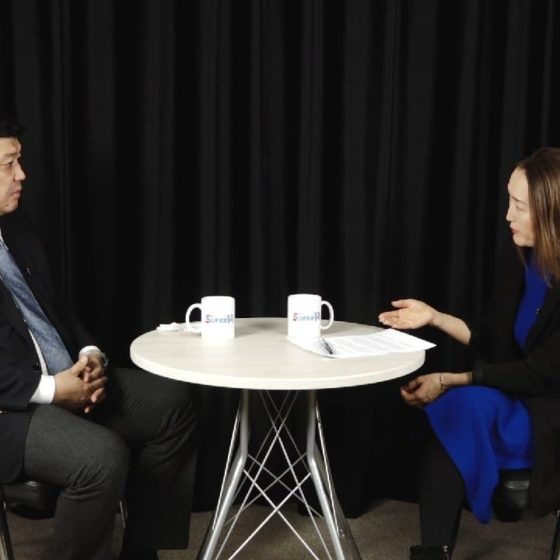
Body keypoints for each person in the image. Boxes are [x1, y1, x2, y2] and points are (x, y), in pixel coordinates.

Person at [0, 118, 198, 560]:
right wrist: (53, 390)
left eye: (20, 161)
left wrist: (89, 355)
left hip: (65, 376)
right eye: (9, 164)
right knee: (100, 457)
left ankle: (142, 552)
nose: (22, 175)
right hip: (10, 409)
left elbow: (58, 310)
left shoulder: (17, 227)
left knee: (172, 405)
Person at [379, 146, 560, 560]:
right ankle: (434, 551)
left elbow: (538, 374)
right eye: (509, 201)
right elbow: (489, 337)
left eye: (519, 206)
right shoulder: (519, 257)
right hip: (512, 395)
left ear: (552, 214)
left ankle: (433, 551)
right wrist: (434, 316)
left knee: (457, 405)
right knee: (452, 413)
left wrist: (447, 381)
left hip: (549, 413)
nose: (508, 216)